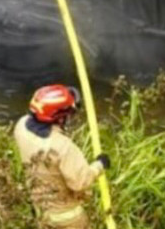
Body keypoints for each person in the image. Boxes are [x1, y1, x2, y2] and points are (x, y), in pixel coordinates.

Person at [13, 84, 110, 228]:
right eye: (68, 114)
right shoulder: (63, 147)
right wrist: (100, 165)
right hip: (68, 219)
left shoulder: (20, 127)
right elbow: (80, 183)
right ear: (58, 117)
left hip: (40, 208)